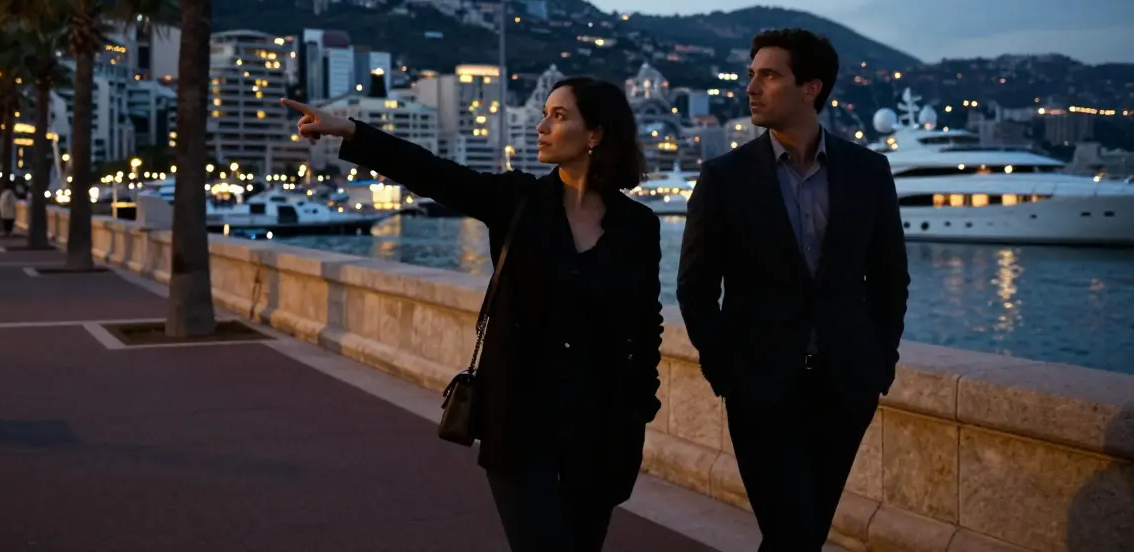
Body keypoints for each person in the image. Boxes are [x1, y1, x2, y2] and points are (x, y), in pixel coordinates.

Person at [282, 77, 664, 552]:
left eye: (559, 116)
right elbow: (434, 173)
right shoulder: (518, 201)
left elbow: (645, 329)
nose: (542, 126)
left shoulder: (637, 227)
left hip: (600, 436)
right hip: (519, 428)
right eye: (544, 113)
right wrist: (352, 131)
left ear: (597, 134)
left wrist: (637, 412)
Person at [677, 28, 909, 551]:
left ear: (811, 88)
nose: (751, 88)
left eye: (769, 75)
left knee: (801, 535)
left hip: (844, 386)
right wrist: (726, 373)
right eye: (751, 75)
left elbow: (890, 277)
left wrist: (878, 363)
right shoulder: (724, 177)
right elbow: (695, 286)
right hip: (760, 388)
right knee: (791, 531)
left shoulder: (868, 172)